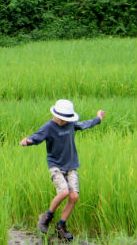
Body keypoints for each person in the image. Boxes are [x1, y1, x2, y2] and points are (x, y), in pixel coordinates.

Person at [20, 99, 105, 241]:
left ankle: (61, 227)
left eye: (66, 119)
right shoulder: (49, 127)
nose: (63, 121)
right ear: (56, 115)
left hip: (71, 164)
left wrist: (98, 118)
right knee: (64, 191)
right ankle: (46, 217)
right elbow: (37, 137)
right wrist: (28, 141)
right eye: (61, 119)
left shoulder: (71, 124)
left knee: (74, 196)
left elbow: (85, 124)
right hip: (56, 165)